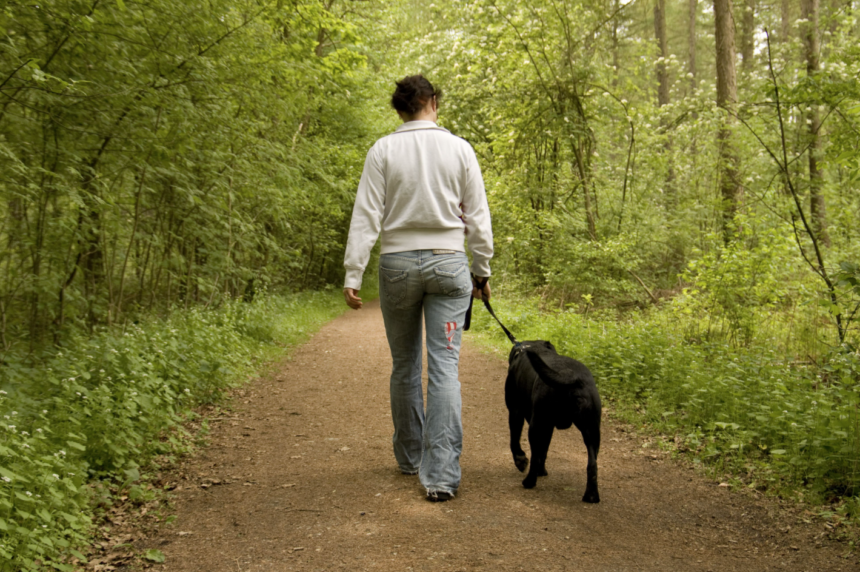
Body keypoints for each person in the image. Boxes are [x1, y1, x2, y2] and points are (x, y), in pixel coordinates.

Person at [342, 75, 493, 502]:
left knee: (405, 365)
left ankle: (410, 459)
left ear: (400, 109)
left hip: (397, 268)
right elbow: (478, 218)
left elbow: (366, 215)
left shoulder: (383, 150)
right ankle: (441, 476)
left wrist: (354, 272)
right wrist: (481, 270)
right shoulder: (460, 148)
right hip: (449, 266)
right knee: (444, 369)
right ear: (432, 101)